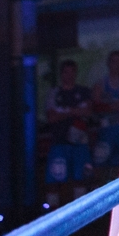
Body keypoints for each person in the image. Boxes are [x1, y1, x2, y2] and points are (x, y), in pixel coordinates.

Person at [44, 60, 95, 205]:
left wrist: (63, 112)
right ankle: (53, 214)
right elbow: (51, 117)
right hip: (59, 143)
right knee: (54, 181)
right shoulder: (54, 93)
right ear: (61, 74)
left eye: (72, 72)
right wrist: (74, 111)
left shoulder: (84, 92)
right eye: (66, 72)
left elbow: (88, 111)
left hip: (80, 144)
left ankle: (81, 214)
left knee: (81, 179)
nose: (69, 75)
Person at [93, 49, 119, 177]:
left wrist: (114, 106)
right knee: (101, 161)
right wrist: (114, 106)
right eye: (114, 62)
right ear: (109, 64)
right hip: (107, 129)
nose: (117, 65)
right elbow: (95, 107)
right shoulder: (101, 84)